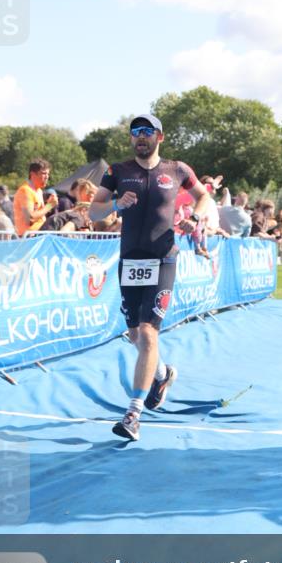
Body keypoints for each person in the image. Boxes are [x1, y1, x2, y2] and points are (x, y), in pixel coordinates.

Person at [90, 114, 209, 442]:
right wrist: (115, 203)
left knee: (148, 332)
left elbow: (205, 196)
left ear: (160, 136)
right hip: (130, 261)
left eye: (147, 131)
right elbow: (93, 211)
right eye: (135, 132)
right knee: (135, 336)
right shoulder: (118, 171)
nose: (140, 137)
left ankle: (133, 414)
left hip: (163, 258)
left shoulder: (177, 169)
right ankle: (163, 374)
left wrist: (195, 218)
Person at [13, 159, 59, 237]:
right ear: (33, 174)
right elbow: (30, 218)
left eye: (48, 174)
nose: (47, 177)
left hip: (39, 235)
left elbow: (40, 216)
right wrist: (49, 206)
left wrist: (48, 205)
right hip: (28, 237)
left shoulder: (39, 191)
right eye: (44, 173)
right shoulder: (25, 190)